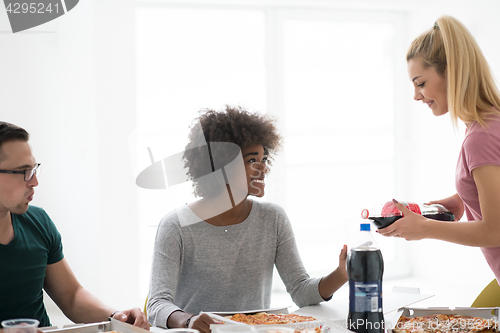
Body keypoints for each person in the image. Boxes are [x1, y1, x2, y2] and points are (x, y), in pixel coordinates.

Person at [147, 106, 348, 333]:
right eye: (252, 160)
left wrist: (342, 274)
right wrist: (189, 320)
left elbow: (300, 291)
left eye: (264, 158)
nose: (263, 167)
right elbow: (157, 304)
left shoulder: (273, 219)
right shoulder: (176, 225)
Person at [378, 16, 500, 281]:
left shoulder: (481, 136)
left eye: (420, 83)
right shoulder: (492, 120)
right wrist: (463, 199)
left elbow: (495, 230)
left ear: (453, 73)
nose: (416, 95)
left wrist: (425, 228)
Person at [0, 121, 149, 329]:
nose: (34, 182)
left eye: (34, 169)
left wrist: (116, 317)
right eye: (24, 171)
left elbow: (71, 296)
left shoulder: (38, 222)